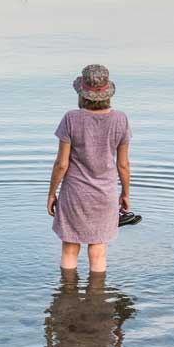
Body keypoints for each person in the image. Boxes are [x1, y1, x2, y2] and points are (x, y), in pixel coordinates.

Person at [46, 64, 132, 273]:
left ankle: (66, 297)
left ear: (82, 94)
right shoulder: (120, 119)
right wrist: (126, 193)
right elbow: (123, 164)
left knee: (69, 248)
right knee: (98, 252)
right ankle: (97, 300)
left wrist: (51, 193)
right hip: (105, 195)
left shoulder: (71, 118)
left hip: (74, 194)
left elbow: (61, 164)